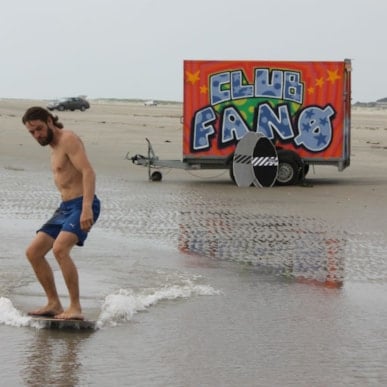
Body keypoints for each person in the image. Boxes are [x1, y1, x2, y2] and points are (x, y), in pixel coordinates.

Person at [22, 107, 101, 320]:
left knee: (60, 250)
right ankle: (54, 303)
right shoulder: (54, 146)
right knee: (33, 252)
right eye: (32, 132)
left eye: (39, 129)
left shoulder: (68, 139)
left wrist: (86, 207)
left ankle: (75, 307)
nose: (37, 135)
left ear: (49, 121)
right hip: (64, 208)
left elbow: (88, 171)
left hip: (82, 204)